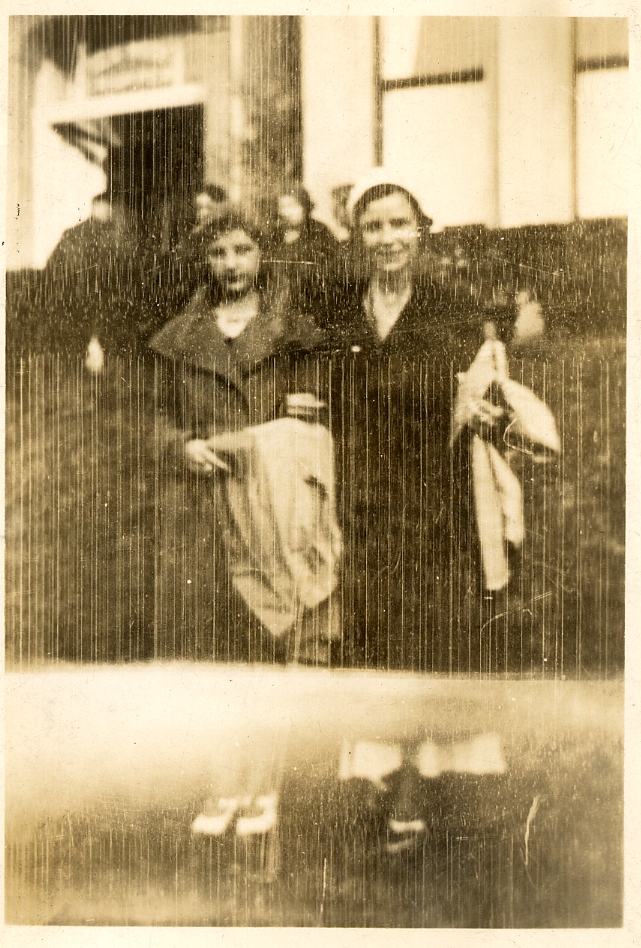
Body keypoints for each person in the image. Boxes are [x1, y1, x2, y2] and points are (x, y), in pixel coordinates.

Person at [149, 210, 342, 845]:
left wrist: (276, 433)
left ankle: (267, 782)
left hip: (273, 508)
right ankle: (221, 782)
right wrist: (179, 445)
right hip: (203, 510)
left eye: (242, 250)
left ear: (262, 256)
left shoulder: (294, 334)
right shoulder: (178, 338)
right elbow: (150, 417)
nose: (231, 264)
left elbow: (314, 420)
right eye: (218, 252)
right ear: (204, 261)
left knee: (274, 640)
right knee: (217, 648)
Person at [269, 184, 340, 313]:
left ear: (304, 205)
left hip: (313, 301)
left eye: (292, 205)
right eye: (282, 207)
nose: (286, 212)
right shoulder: (275, 236)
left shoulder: (319, 231)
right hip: (280, 301)